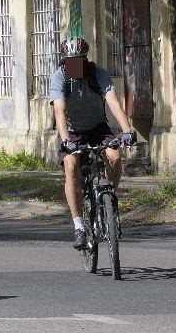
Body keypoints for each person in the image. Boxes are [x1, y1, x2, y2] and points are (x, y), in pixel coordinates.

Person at [49, 37, 136, 250]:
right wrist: (65, 140)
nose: (75, 64)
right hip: (72, 132)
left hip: (98, 127)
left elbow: (114, 104)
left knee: (115, 157)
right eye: (71, 61)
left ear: (86, 59)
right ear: (65, 61)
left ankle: (109, 198)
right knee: (71, 167)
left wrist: (127, 131)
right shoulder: (59, 78)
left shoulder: (97, 73)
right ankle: (78, 225)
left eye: (79, 60)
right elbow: (59, 112)